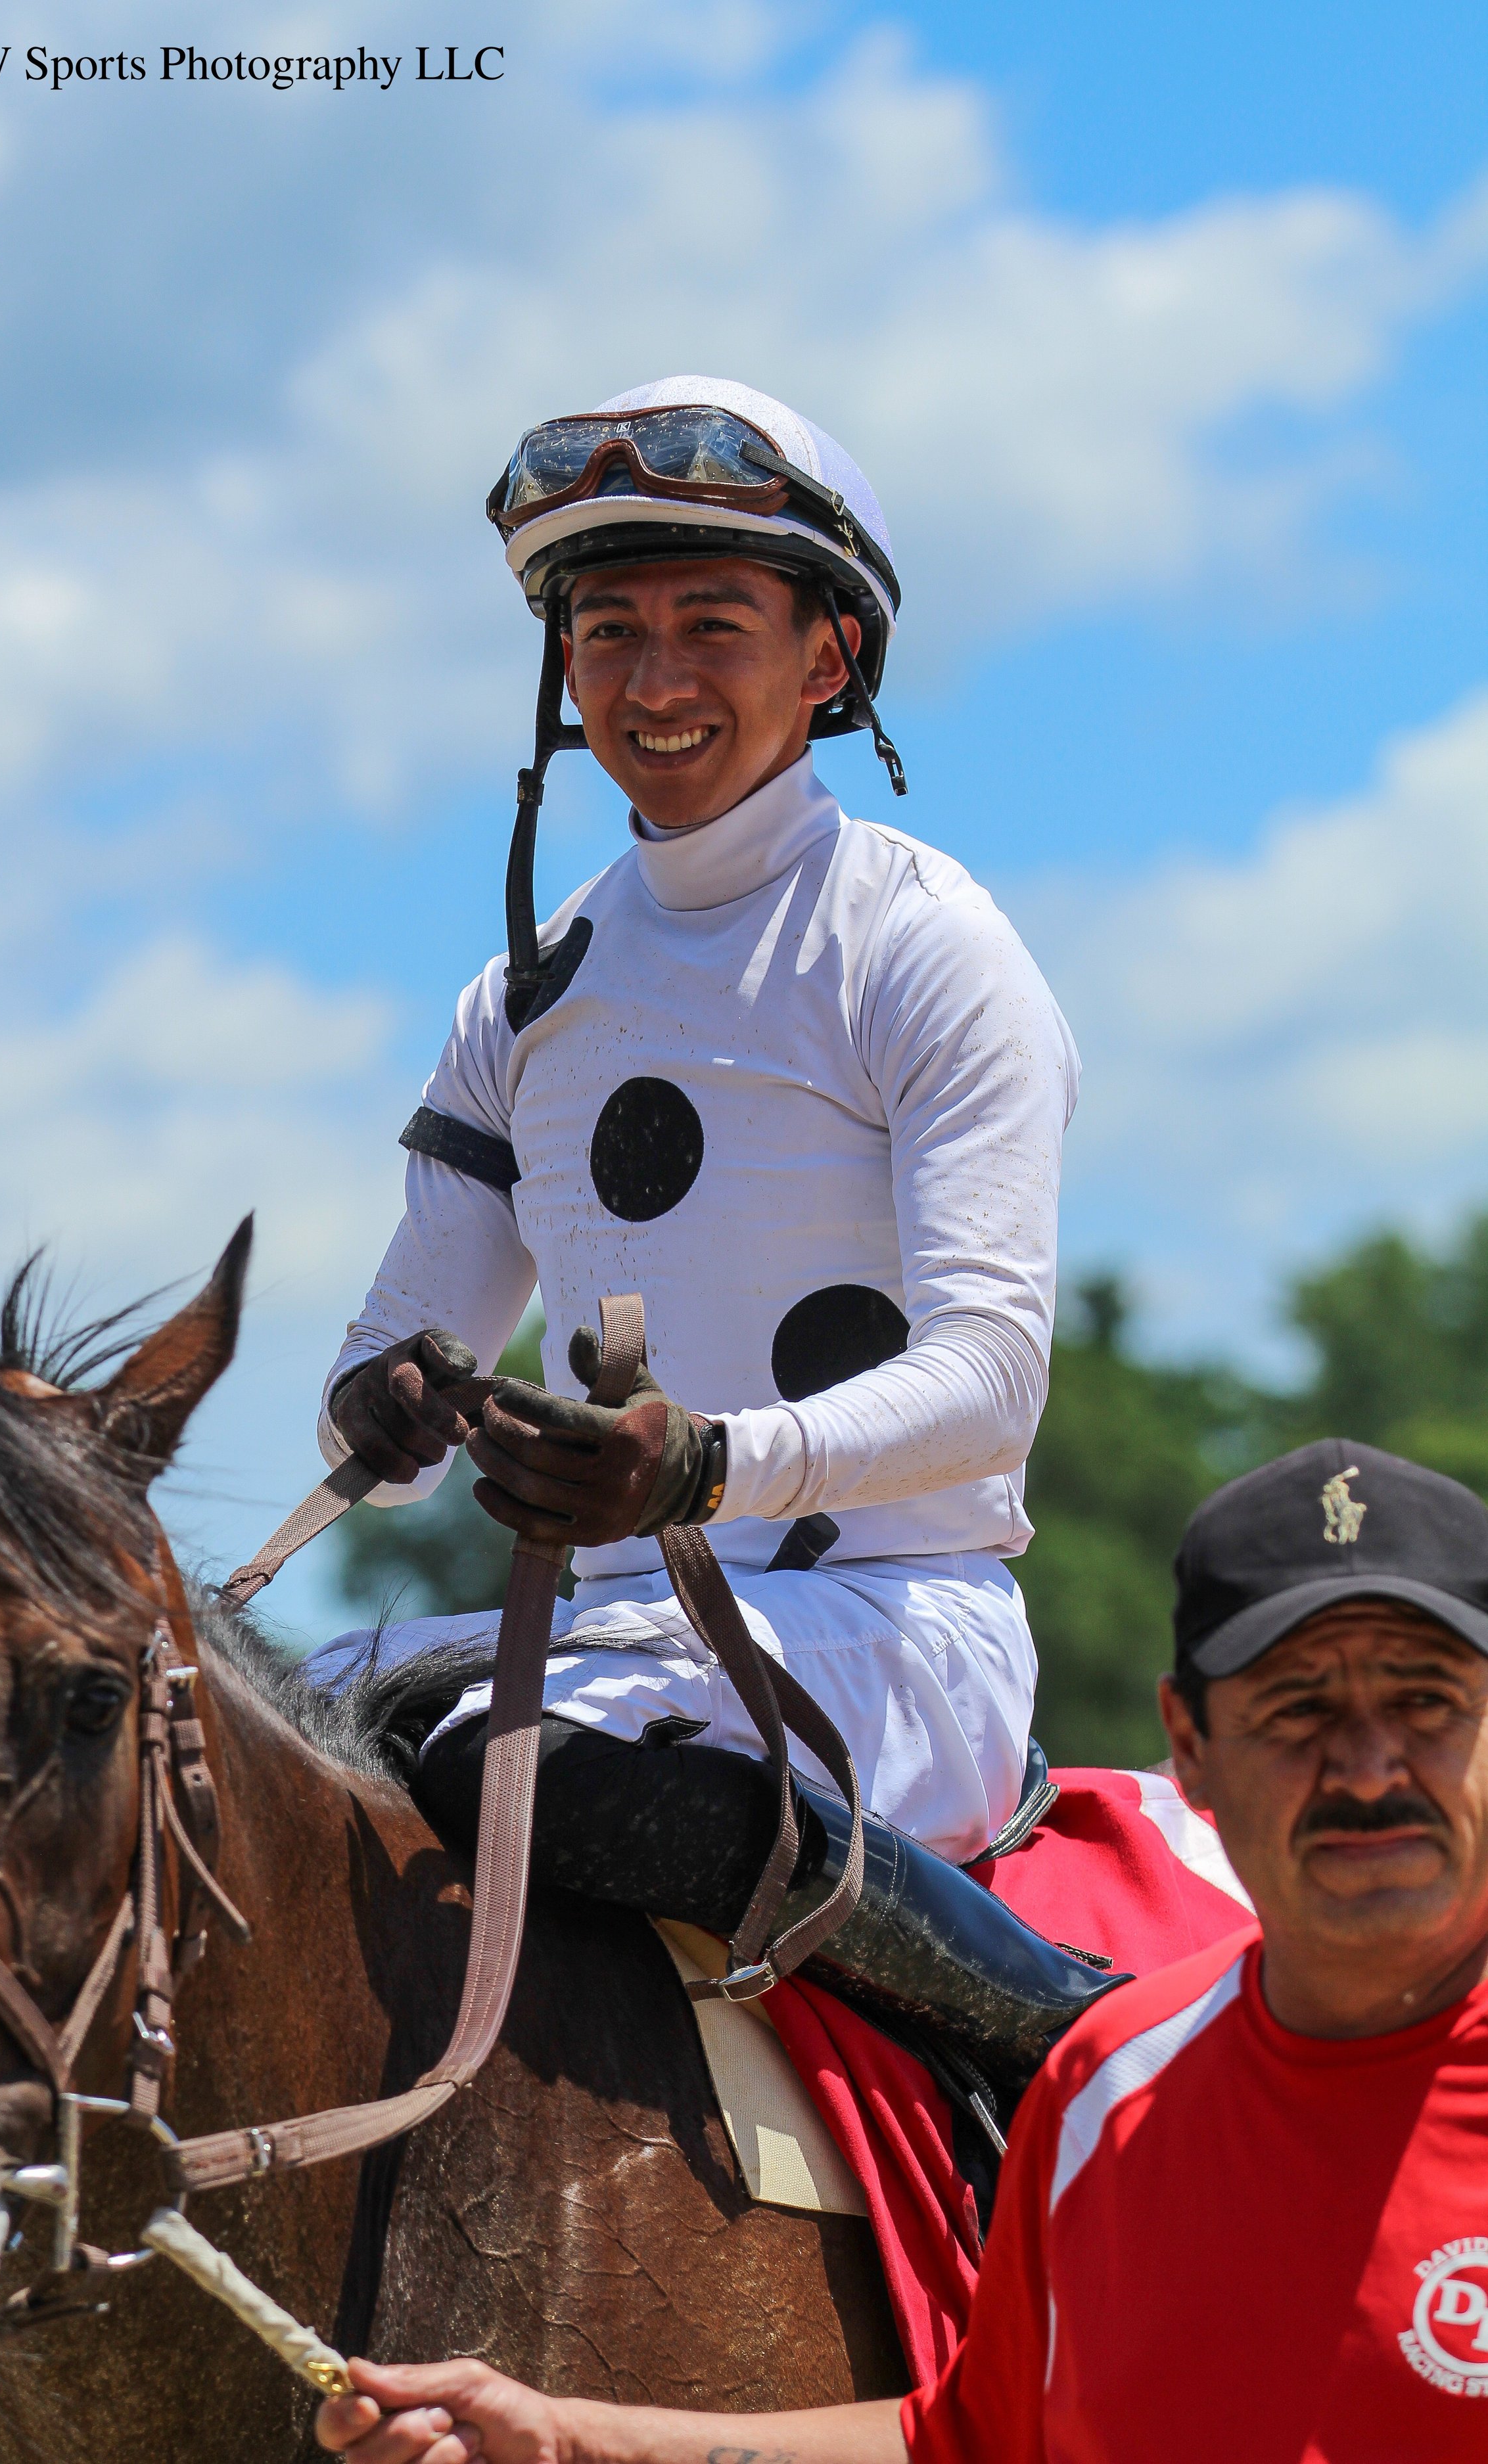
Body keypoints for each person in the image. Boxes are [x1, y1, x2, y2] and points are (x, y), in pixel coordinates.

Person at [310, 375, 1105, 2049]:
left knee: (516, 1767)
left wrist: (705, 1464)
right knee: (213, 1726)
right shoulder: (519, 998)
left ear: (826, 660)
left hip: (898, 1630)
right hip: (616, 1635)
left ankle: (1063, 2043)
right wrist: (381, 1405)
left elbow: (989, 1383)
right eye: (607, 633)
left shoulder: (926, 945)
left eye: (711, 627)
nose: (653, 683)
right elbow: (396, 1382)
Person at [314, 1437, 1488, 2463]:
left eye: (1428, 1701)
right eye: (1297, 1711)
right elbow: (969, 2439)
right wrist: (571, 2438)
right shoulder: (1107, 2088)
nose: (1368, 1767)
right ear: (1191, 1742)